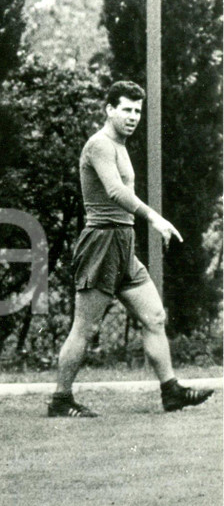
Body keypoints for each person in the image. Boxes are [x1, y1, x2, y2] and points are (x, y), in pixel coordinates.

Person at [48, 81, 213, 418]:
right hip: (101, 242)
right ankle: (61, 400)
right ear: (109, 109)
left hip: (124, 244)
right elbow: (114, 191)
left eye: (138, 110)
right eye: (127, 109)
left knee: (155, 316)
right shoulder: (100, 144)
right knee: (85, 327)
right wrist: (153, 217)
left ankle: (171, 392)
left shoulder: (120, 145)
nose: (133, 116)